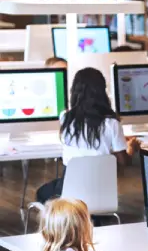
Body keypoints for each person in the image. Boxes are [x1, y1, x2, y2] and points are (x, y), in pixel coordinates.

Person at [36, 68, 140, 203]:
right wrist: (131, 147)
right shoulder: (112, 123)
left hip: (69, 195)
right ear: (103, 92)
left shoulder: (66, 117)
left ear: (74, 92)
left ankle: (63, 221)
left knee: (42, 193)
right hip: (103, 195)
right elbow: (124, 162)